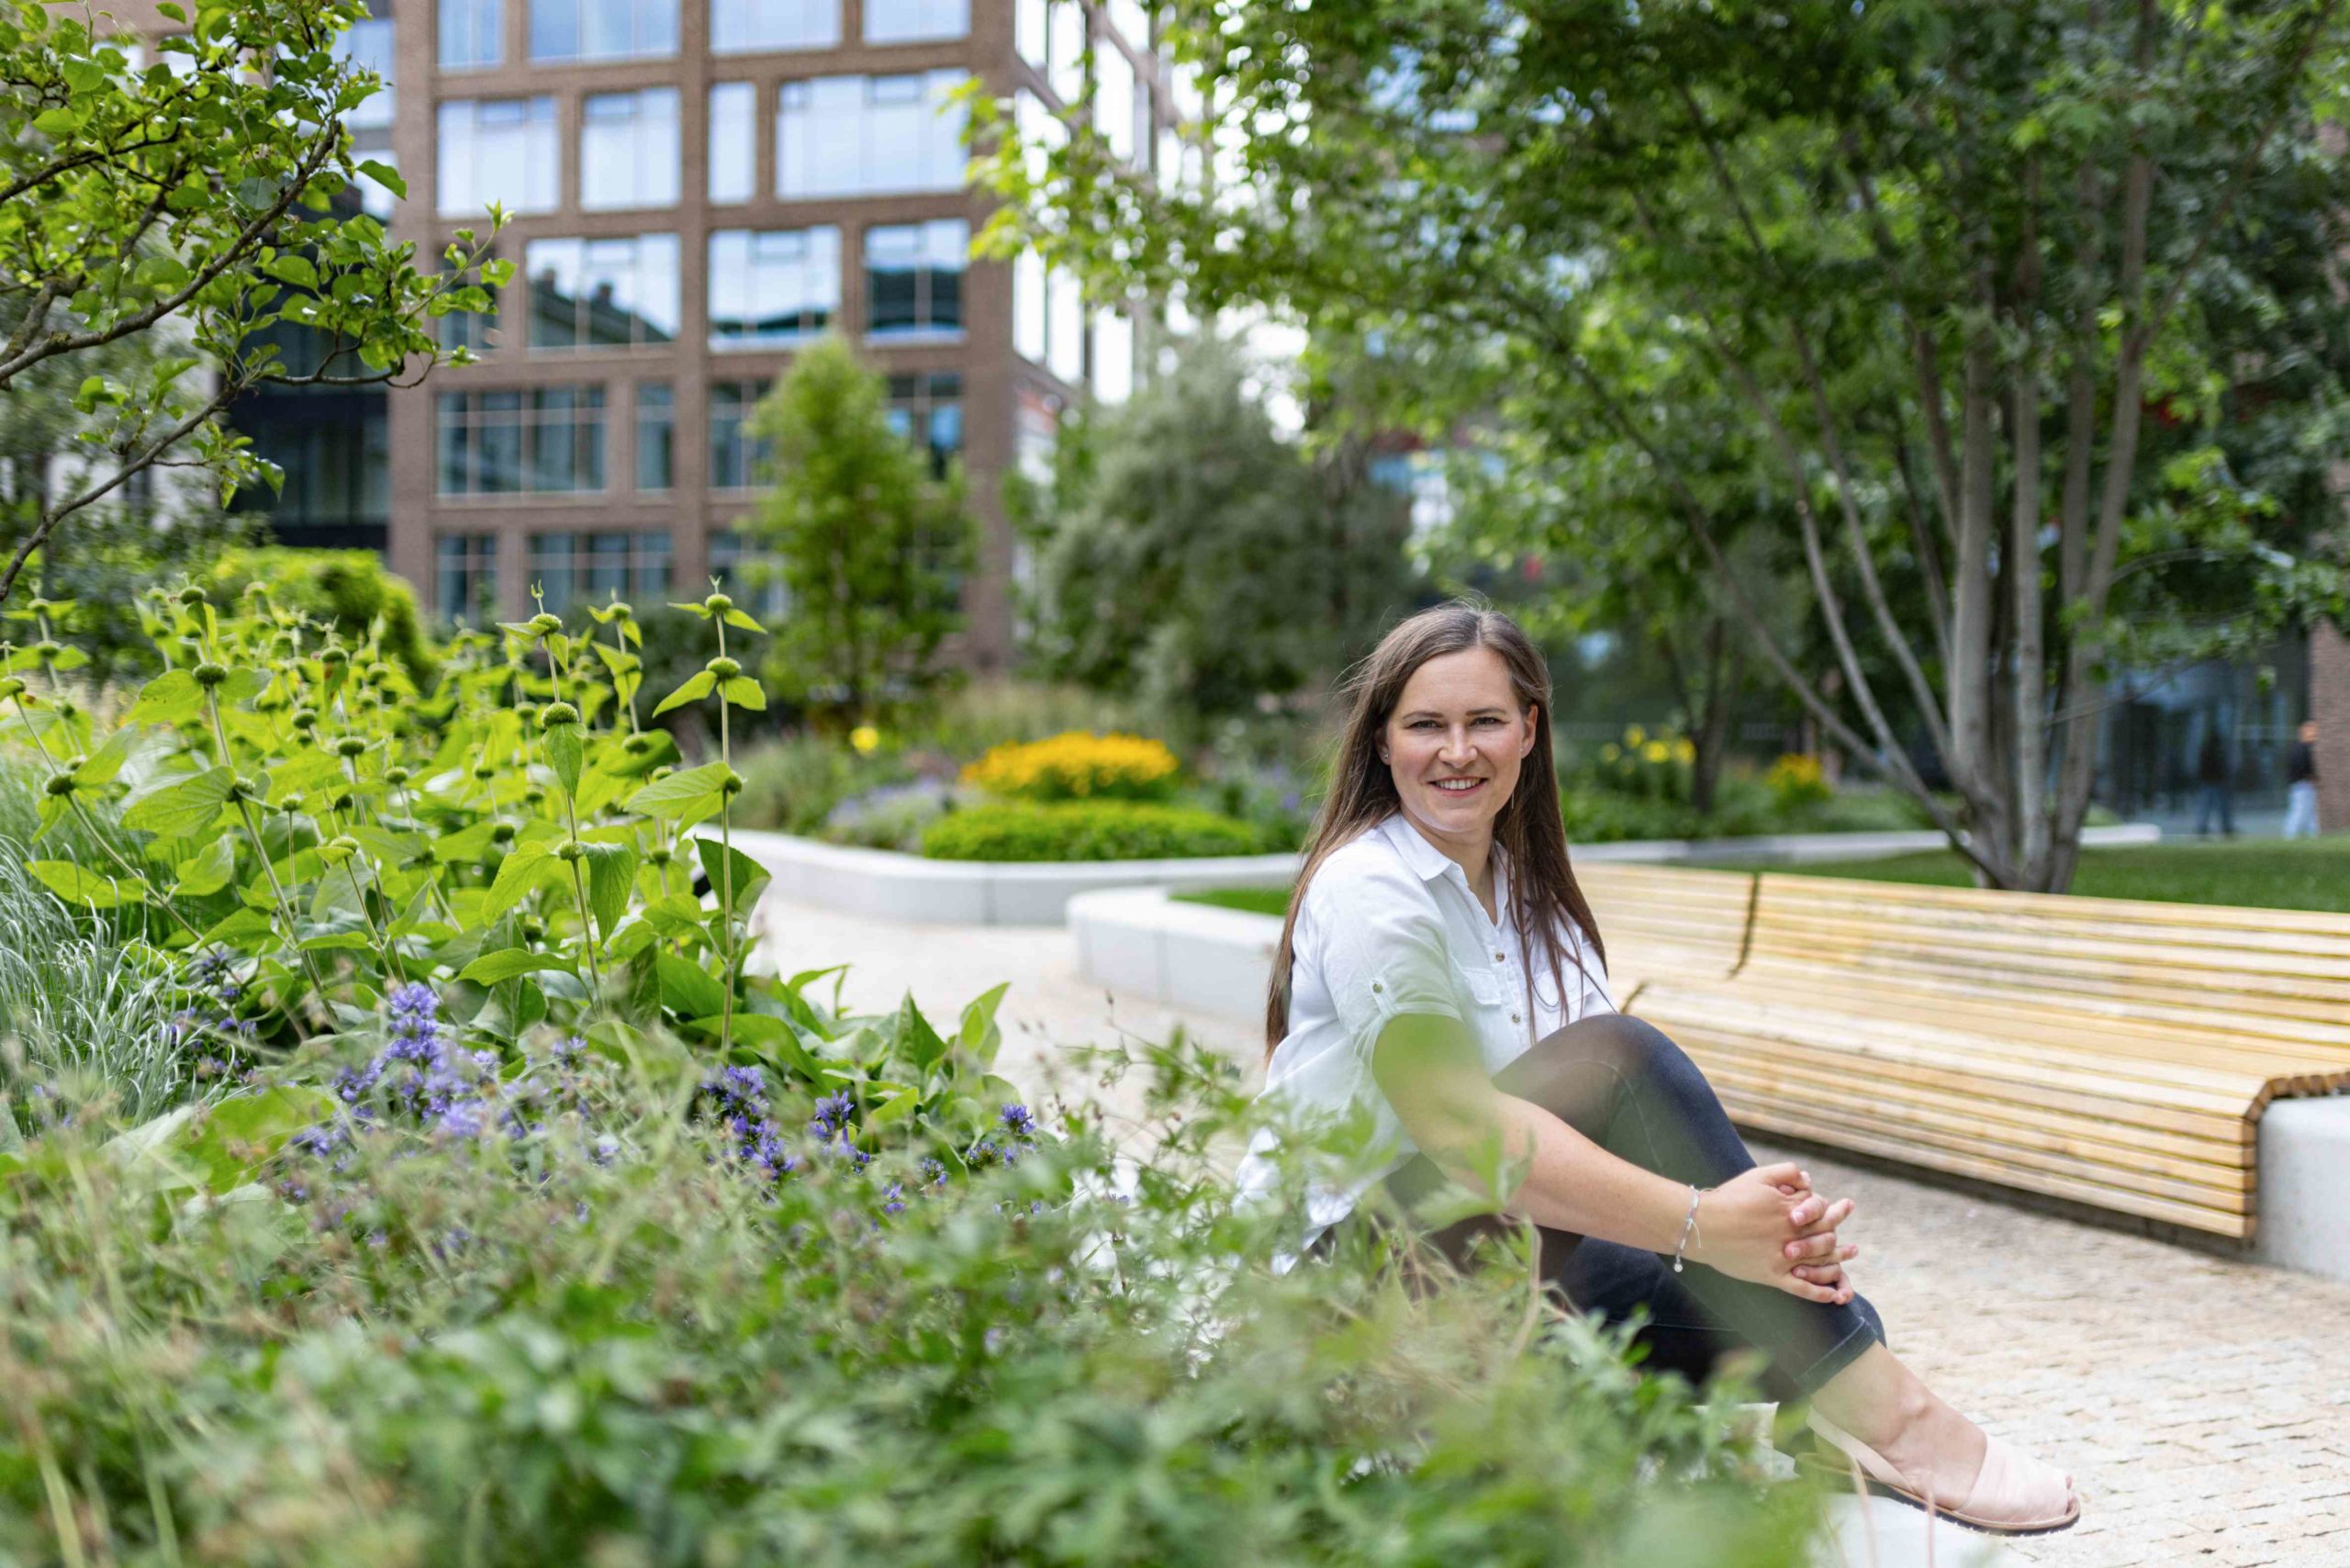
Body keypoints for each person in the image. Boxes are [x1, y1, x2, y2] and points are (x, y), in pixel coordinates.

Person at [1236, 602, 2078, 1536]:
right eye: (1425, 725)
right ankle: (1908, 1427)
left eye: (1483, 721)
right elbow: (1459, 1129)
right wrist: (1703, 1224)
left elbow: (1593, 1142)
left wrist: (1767, 1239)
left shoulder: (1535, 907)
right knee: (1622, 1059)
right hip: (1350, 1301)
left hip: (1503, 1281)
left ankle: (1821, 1427)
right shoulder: (1369, 889)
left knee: (1807, 1317)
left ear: (1528, 730)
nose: (1456, 751)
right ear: (1384, 744)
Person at [2194, 725, 2234, 836]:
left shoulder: (2207, 749)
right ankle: (2224, 826)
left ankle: (2203, 826)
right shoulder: (2215, 751)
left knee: (2208, 806)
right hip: (2213, 781)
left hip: (2209, 781)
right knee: (2219, 806)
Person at [2283, 719, 2320, 839]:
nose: (2315, 734)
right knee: (2300, 811)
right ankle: (2290, 835)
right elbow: (2302, 767)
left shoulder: (2300, 747)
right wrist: (2311, 778)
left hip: (2301, 784)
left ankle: (2313, 835)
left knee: (2310, 813)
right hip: (2301, 785)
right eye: (2312, 731)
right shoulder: (2301, 748)